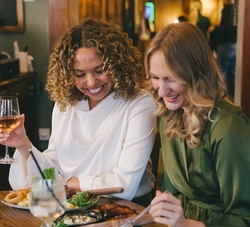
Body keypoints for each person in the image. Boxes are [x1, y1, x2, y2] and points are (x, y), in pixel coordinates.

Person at [0, 18, 156, 204]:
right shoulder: (66, 103)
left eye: (100, 70)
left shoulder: (139, 104)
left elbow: (123, 185)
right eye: (80, 74)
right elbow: (53, 167)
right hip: (71, 204)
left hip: (124, 208)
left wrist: (64, 183)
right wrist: (24, 146)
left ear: (117, 65)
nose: (91, 82)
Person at [144, 22, 250, 227]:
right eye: (155, 77)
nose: (161, 92)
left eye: (171, 78)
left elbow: (245, 221)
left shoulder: (229, 127)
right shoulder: (168, 115)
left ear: (196, 73)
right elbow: (173, 194)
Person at [216, 0, 238, 98]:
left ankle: (220, 98)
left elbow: (224, 26)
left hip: (226, 43)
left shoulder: (227, 8)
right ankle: (231, 97)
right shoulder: (237, 8)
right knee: (232, 73)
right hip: (236, 43)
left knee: (220, 72)